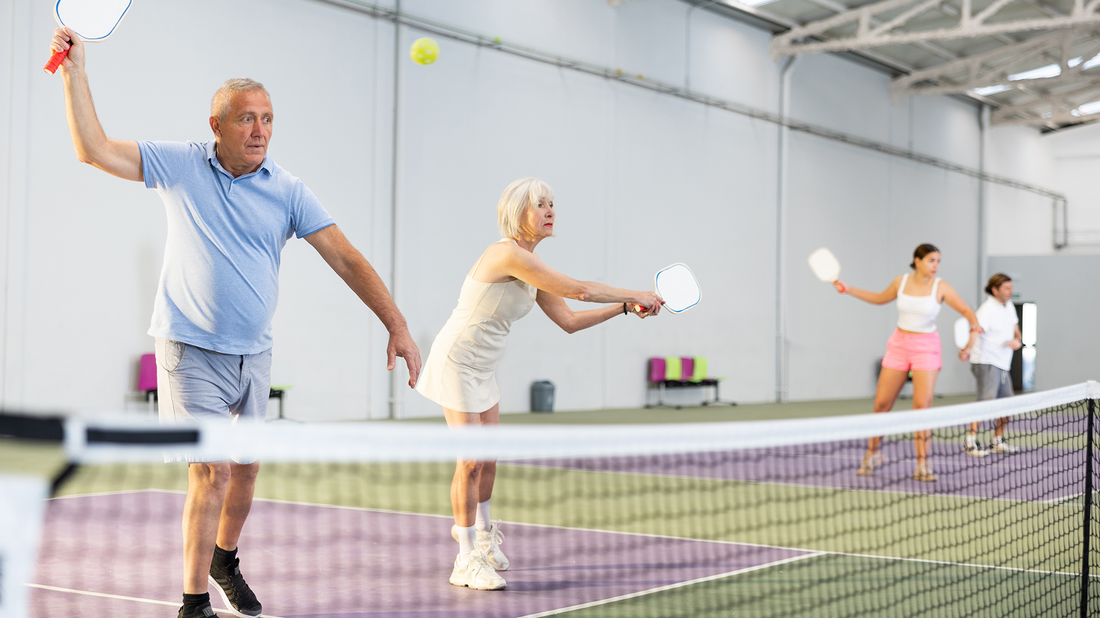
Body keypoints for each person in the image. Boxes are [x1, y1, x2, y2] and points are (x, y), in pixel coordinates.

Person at [49, 28, 422, 618]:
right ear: (216, 125)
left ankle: (226, 560)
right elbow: (93, 149)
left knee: (245, 471)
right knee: (212, 469)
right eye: (247, 119)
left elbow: (346, 257)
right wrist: (76, 73)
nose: (260, 131)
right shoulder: (180, 165)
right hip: (189, 349)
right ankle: (193, 602)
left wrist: (396, 324)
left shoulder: (288, 190)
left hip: (254, 354)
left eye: (268, 119)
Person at [415, 177, 663, 590]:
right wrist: (641, 292)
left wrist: (624, 307)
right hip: (456, 360)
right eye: (541, 205)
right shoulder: (507, 254)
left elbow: (568, 320)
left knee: (489, 457)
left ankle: (485, 537)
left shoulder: (531, 268)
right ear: (519, 213)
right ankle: (464, 559)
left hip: (483, 365)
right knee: (471, 459)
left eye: (552, 204)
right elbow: (581, 290)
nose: (550, 211)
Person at [833, 244, 980, 482]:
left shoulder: (940, 287)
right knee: (881, 405)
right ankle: (872, 454)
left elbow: (966, 311)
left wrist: (972, 333)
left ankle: (922, 464)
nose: (936, 266)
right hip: (899, 346)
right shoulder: (900, 282)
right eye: (931, 260)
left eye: (938, 261)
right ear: (917, 260)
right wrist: (849, 289)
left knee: (921, 408)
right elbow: (880, 299)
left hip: (926, 348)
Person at [963, 273, 1022, 457]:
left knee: (1007, 404)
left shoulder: (1009, 306)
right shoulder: (986, 310)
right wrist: (967, 349)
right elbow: (975, 330)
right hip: (986, 361)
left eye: (1011, 287)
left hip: (1003, 363)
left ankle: (997, 440)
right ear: (995, 290)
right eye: (1007, 288)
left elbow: (1017, 333)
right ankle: (970, 442)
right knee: (985, 402)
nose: (1011, 291)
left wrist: (1017, 341)